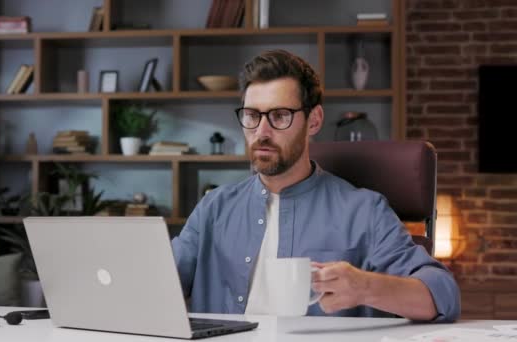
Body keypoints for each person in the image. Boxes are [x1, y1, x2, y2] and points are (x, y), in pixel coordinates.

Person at [171, 49, 460, 322]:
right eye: (251, 115)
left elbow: (443, 295)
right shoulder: (213, 208)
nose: (261, 132)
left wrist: (366, 287)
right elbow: (157, 284)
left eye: (280, 116)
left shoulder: (363, 210)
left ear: (314, 121)